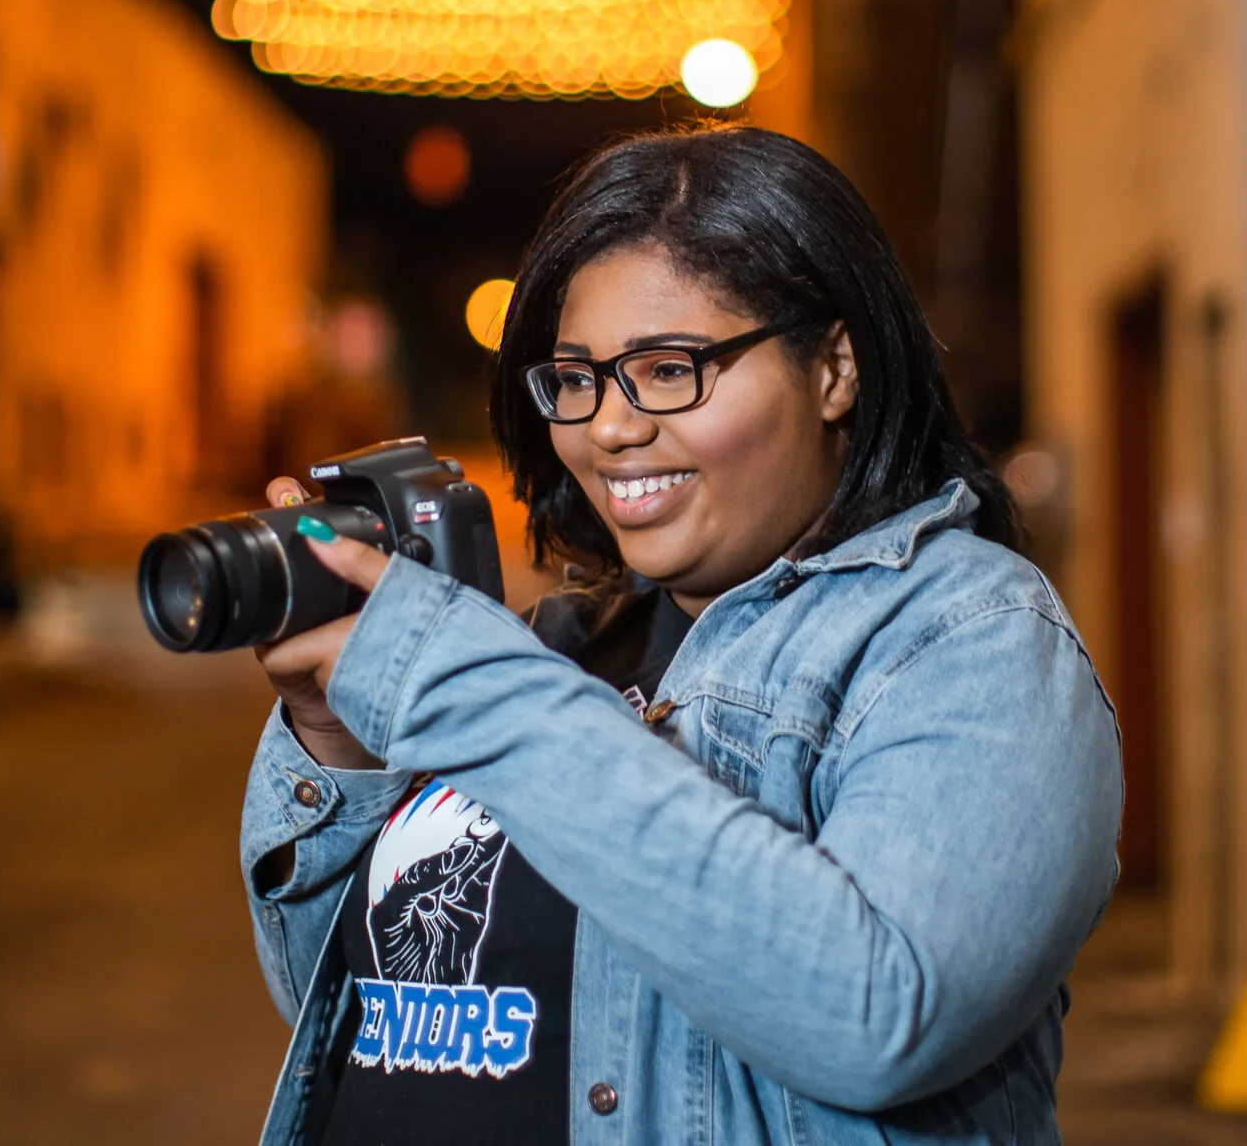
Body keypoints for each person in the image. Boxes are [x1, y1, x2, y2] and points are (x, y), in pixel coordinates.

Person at [240, 125, 1123, 1146]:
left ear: (834, 366)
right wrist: (334, 741)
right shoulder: (553, 651)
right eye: (577, 378)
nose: (609, 427)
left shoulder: (965, 640)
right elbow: (356, 1013)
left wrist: (471, 692)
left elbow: (879, 1016)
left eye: (668, 369)